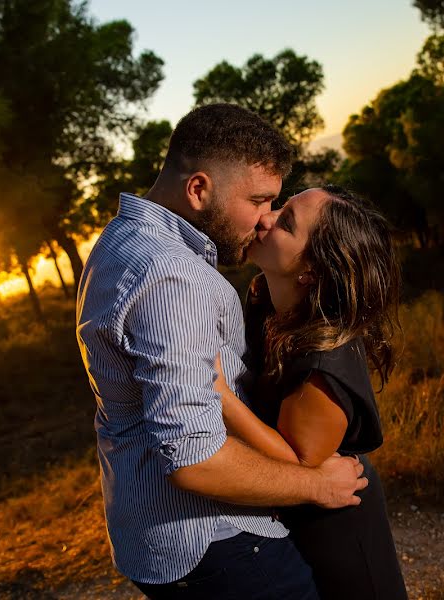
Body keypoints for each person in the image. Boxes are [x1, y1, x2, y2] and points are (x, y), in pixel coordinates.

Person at [75, 104, 368, 600]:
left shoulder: (121, 240)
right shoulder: (174, 277)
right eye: (257, 200)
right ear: (198, 189)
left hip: (152, 531)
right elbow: (195, 459)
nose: (263, 221)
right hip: (216, 542)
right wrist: (318, 487)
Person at [214, 185, 408, 599]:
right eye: (280, 206)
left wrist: (220, 396)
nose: (266, 217)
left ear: (311, 271)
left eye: (286, 223)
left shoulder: (327, 359)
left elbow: (301, 462)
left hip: (336, 530)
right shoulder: (266, 304)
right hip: (290, 521)